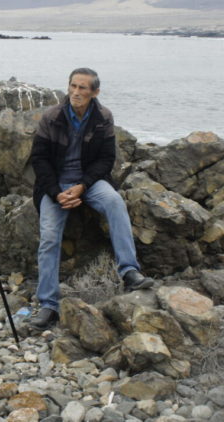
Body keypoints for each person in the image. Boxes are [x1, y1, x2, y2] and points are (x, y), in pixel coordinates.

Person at [28, 67, 153, 331]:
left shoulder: (102, 117)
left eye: (82, 88)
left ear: (94, 92)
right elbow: (38, 160)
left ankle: (129, 271)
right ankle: (48, 304)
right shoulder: (52, 117)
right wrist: (56, 192)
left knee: (115, 202)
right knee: (50, 236)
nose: (75, 92)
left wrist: (82, 187)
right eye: (73, 86)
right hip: (55, 185)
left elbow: (106, 160)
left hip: (89, 182)